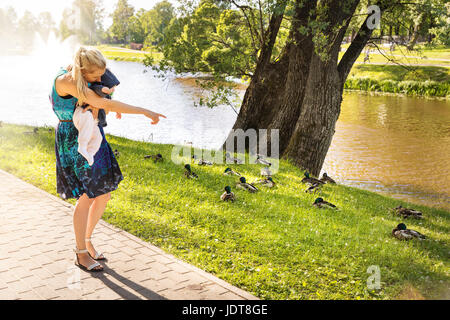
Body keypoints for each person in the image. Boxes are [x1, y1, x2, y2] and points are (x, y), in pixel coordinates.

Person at [50, 46, 166, 272]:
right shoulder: (67, 82)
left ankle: (88, 240)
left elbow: (102, 98)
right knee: (85, 195)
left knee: (103, 193)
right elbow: (106, 103)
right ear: (82, 71)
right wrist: (144, 111)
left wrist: (100, 98)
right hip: (74, 141)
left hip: (92, 133)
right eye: (95, 75)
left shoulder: (83, 75)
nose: (99, 78)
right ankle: (81, 253)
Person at [72, 68, 121, 166]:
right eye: (112, 87)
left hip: (93, 121)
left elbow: (111, 104)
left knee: (98, 137)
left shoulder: (107, 95)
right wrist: (107, 90)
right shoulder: (96, 87)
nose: (113, 90)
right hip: (85, 115)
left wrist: (117, 110)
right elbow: (100, 89)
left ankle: (89, 154)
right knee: (86, 133)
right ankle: (82, 146)